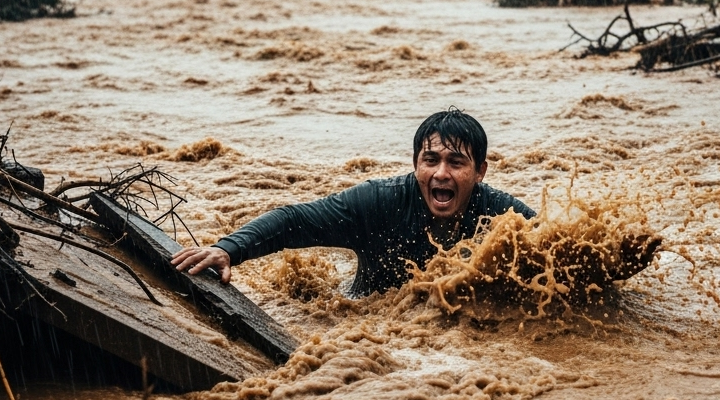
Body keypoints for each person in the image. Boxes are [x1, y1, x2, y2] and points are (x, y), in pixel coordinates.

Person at [170, 109, 535, 296]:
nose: (441, 173)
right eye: (430, 160)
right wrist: (228, 249)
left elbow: (557, 246)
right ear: (415, 164)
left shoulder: (503, 217)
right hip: (365, 314)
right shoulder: (378, 203)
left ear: (480, 171)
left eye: (456, 163)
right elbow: (294, 220)